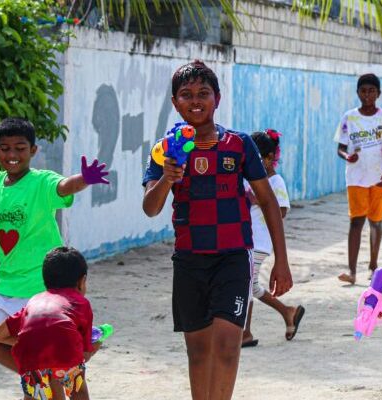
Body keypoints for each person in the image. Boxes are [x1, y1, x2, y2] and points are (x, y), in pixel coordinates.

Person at [141, 59, 293, 400]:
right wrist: (167, 178)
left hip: (233, 258)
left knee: (227, 346)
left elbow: (268, 202)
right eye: (186, 94)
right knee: (198, 352)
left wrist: (281, 262)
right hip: (189, 260)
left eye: (203, 93)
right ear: (175, 102)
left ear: (217, 99)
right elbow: (150, 208)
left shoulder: (239, 144)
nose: (195, 101)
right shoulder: (165, 150)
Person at [0, 117, 108, 376]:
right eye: (5, 148)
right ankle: (38, 376)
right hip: (7, 282)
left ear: (33, 150)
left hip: (42, 284)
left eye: (20, 148)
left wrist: (84, 178)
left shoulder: (41, 181)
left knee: (53, 352)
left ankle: (56, 372)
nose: (12, 155)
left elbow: (63, 187)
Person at [0, 247, 99, 400]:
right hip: (66, 357)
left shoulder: (34, 303)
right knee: (78, 392)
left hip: (30, 360)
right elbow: (85, 353)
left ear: (45, 281)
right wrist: (97, 345)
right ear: (82, 282)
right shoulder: (82, 303)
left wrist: (32, 342)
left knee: (33, 394)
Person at [241, 130, 305, 347]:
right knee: (251, 285)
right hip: (244, 238)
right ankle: (288, 312)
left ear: (270, 158)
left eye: (258, 159)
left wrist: (260, 199)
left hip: (260, 242)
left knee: (246, 284)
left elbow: (282, 211)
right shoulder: (247, 179)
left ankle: (245, 332)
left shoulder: (275, 181)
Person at [335, 73, 382, 285]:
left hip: (380, 177)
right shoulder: (349, 118)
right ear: (358, 93)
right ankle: (352, 271)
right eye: (363, 91)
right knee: (356, 222)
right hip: (356, 177)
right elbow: (341, 148)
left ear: (378, 93)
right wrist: (347, 156)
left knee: (376, 221)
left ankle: (373, 266)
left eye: (372, 91)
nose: (367, 95)